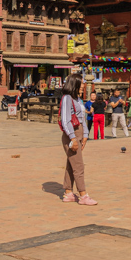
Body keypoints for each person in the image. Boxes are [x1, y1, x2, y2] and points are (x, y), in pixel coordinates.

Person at [59, 73, 97, 205]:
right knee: (79, 165)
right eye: (81, 83)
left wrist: (85, 135)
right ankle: (83, 195)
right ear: (74, 84)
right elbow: (65, 120)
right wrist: (73, 138)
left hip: (79, 133)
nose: (83, 86)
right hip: (71, 134)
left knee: (72, 164)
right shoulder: (67, 98)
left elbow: (82, 120)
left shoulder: (78, 100)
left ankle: (68, 192)